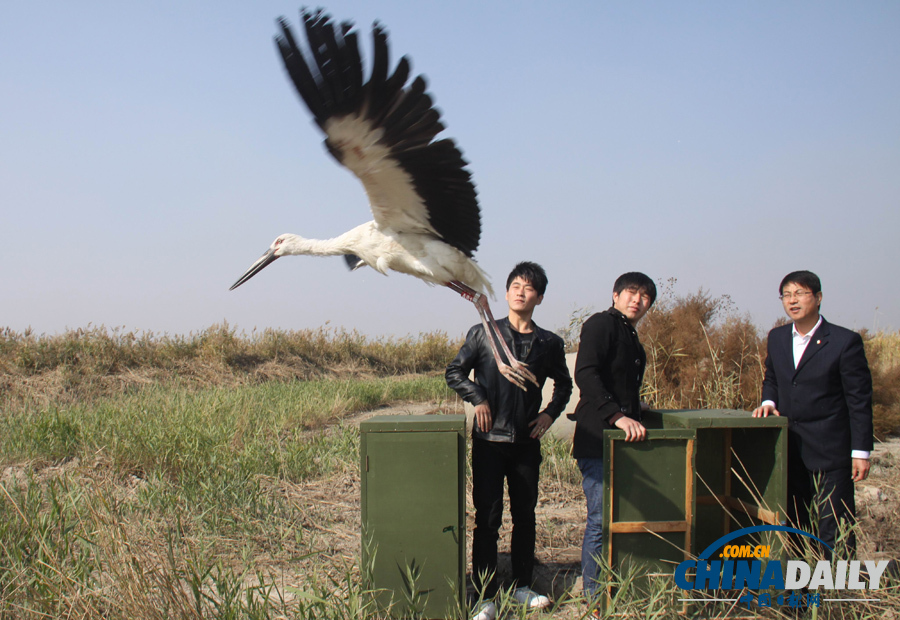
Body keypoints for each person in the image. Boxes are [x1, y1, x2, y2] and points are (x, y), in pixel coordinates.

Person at [446, 261, 572, 620]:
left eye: (528, 288)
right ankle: (485, 595)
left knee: (525, 516)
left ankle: (522, 586)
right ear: (505, 292)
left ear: (540, 297)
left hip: (526, 444)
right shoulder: (483, 333)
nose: (520, 291)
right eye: (515, 285)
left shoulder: (549, 343)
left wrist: (549, 414)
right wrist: (478, 397)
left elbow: (564, 385)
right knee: (487, 519)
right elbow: (454, 371)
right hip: (488, 441)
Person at [752, 270, 873, 558]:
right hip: (791, 448)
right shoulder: (778, 337)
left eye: (800, 294)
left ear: (817, 298)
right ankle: (800, 600)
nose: (792, 301)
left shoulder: (844, 341)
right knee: (794, 524)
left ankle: (836, 597)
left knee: (835, 526)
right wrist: (768, 401)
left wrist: (861, 452)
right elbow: (772, 378)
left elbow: (859, 400)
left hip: (831, 451)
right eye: (787, 295)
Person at [569, 272, 656, 610]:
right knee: (601, 520)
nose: (638, 299)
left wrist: (635, 407)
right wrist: (618, 415)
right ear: (616, 294)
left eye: (645, 296)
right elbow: (586, 374)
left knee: (617, 516)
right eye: (631, 292)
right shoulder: (601, 324)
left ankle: (613, 584)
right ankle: (594, 598)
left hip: (620, 439)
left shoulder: (629, 334)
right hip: (598, 436)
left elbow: (617, 381)